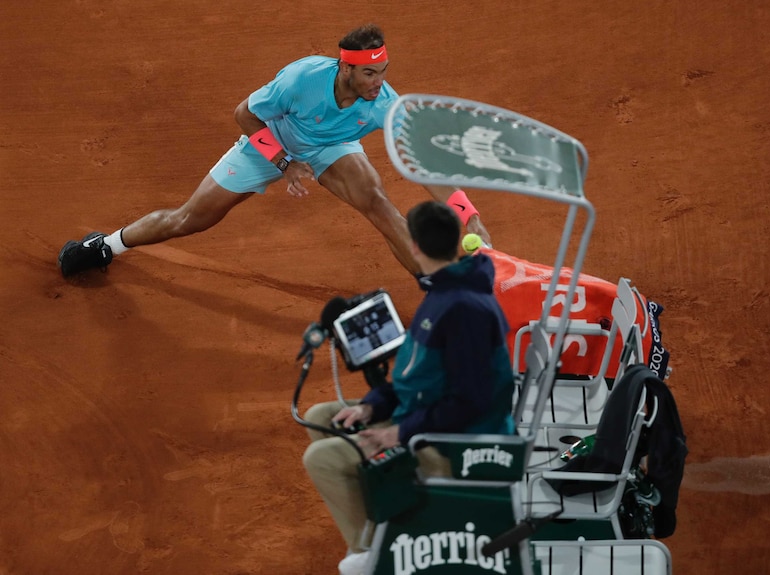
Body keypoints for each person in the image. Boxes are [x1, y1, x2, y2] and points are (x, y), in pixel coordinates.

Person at [57, 24, 491, 278]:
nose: (378, 82)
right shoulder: (300, 79)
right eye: (369, 74)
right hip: (275, 141)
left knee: (376, 200)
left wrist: (467, 212)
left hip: (331, 147)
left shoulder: (382, 103)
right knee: (190, 219)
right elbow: (245, 114)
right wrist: (283, 163)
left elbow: (423, 165)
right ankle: (107, 246)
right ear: (345, 67)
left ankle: (431, 284)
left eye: (383, 72)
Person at [301, 201, 514, 575]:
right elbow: (421, 378)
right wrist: (370, 408)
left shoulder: (463, 309)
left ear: (414, 246)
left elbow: (471, 402)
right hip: (432, 420)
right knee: (324, 417)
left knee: (321, 459)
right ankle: (392, 521)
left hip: (462, 446)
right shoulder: (447, 290)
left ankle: (374, 554)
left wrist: (399, 431)